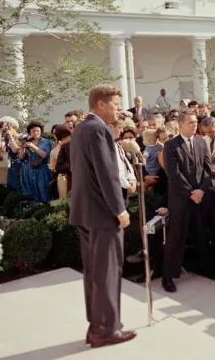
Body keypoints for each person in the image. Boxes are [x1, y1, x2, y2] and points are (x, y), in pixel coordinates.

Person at [68, 84, 136, 348]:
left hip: (86, 213)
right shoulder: (98, 129)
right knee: (107, 271)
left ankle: (97, 325)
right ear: (100, 104)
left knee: (95, 273)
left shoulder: (82, 129)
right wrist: (119, 209)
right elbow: (106, 174)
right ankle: (106, 329)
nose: (118, 110)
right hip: (102, 214)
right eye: (116, 105)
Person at [161, 112, 215, 293]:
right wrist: (191, 192)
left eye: (195, 122)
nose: (194, 125)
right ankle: (168, 276)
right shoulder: (171, 145)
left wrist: (201, 190)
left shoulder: (201, 142)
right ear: (180, 125)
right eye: (190, 123)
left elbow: (208, 169)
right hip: (181, 199)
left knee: (201, 234)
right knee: (176, 237)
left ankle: (204, 269)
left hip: (200, 198)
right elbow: (173, 174)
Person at [19, 121, 53, 203]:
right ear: (29, 132)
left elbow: (44, 155)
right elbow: (21, 158)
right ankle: (30, 209)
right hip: (28, 171)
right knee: (29, 194)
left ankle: (44, 209)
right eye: (33, 131)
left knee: (43, 192)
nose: (36, 133)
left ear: (41, 131)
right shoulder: (26, 142)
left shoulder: (46, 142)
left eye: (38, 130)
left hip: (42, 171)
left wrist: (32, 146)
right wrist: (22, 148)